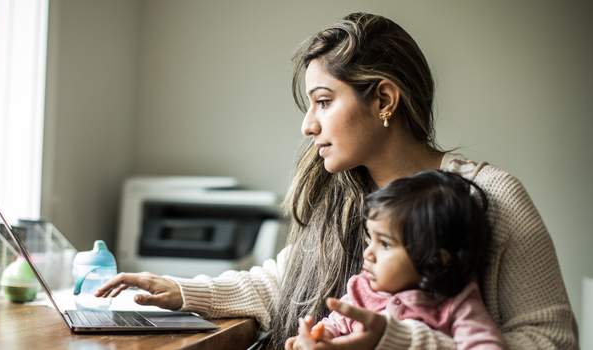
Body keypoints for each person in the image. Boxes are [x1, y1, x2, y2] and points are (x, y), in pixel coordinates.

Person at [95, 12, 578, 349]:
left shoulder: (491, 197)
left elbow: (550, 340)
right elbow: (284, 283)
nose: (308, 126)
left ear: (384, 99)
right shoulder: (340, 194)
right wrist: (181, 293)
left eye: (324, 101)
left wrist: (398, 343)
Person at [284, 169, 507, 350]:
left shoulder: (456, 304)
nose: (367, 253)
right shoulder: (361, 290)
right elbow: (334, 323)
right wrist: (319, 336)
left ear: (437, 261)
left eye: (386, 244)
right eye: (371, 239)